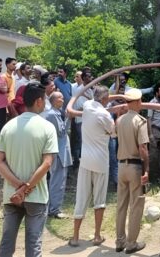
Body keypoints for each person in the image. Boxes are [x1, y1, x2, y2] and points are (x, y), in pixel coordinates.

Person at [0, 82, 58, 257]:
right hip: (36, 195)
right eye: (44, 99)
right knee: (33, 245)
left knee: (6, 244)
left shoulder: (8, 127)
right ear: (39, 101)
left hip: (11, 195)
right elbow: (47, 163)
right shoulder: (47, 127)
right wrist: (27, 187)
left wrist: (18, 186)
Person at [69, 86, 115, 247]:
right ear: (105, 99)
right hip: (101, 162)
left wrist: (110, 99)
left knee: (81, 197)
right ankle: (96, 235)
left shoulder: (88, 106)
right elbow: (113, 133)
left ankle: (75, 237)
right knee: (99, 199)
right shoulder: (106, 115)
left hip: (86, 160)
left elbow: (95, 101)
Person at [114, 89, 149, 254]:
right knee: (136, 205)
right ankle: (131, 243)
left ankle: (119, 241)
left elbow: (115, 137)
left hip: (121, 166)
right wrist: (146, 169)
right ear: (136, 102)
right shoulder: (140, 121)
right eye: (140, 101)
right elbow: (143, 148)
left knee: (121, 205)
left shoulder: (119, 120)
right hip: (135, 166)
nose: (141, 104)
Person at [45, 91, 72, 219]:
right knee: (58, 181)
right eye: (60, 97)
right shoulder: (52, 114)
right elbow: (61, 132)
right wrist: (69, 118)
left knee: (58, 180)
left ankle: (53, 207)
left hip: (61, 152)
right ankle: (54, 209)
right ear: (54, 101)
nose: (63, 99)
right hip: (59, 153)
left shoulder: (56, 113)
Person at [71, 68, 94, 168]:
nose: (91, 78)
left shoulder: (89, 89)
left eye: (91, 76)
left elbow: (93, 102)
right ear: (84, 78)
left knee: (87, 140)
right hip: (81, 119)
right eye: (88, 76)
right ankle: (77, 161)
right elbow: (81, 106)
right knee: (80, 140)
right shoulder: (79, 90)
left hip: (89, 118)